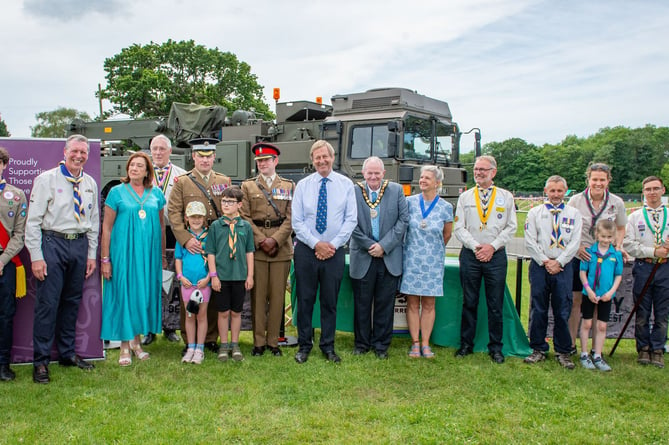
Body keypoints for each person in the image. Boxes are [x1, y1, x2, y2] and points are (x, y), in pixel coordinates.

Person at [25, 134, 99, 383]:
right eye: (75, 151)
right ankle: (41, 361)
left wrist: (91, 254)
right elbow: (32, 222)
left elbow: (94, 223)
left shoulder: (89, 182)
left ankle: (67, 354)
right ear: (65, 152)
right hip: (52, 243)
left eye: (83, 152)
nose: (79, 156)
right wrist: (37, 256)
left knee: (71, 302)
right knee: (47, 304)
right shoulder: (46, 179)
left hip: (78, 244)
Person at [291, 140, 357, 364]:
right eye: (317, 158)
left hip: (334, 251)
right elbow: (297, 222)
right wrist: (316, 244)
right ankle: (304, 345)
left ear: (332, 157)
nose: (321, 161)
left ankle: (328, 346)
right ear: (312, 160)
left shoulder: (346, 185)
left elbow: (351, 220)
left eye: (325, 157)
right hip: (307, 251)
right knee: (305, 300)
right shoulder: (303, 186)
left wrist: (332, 245)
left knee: (329, 302)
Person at [100, 152, 165, 366]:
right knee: (124, 294)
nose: (134, 169)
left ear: (147, 171)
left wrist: (162, 255)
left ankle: (137, 343)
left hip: (148, 254)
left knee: (141, 295)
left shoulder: (156, 193)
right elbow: (107, 228)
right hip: (123, 253)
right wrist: (105, 259)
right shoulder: (116, 192)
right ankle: (125, 346)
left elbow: (162, 226)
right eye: (132, 165)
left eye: (139, 166)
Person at [168, 137, 231, 353]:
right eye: (200, 156)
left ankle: (210, 338)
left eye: (209, 156)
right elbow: (174, 212)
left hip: (215, 242)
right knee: (191, 290)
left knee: (213, 288)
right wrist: (185, 239)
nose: (205, 160)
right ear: (193, 156)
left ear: (214, 157)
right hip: (192, 244)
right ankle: (190, 341)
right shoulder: (182, 182)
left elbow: (228, 210)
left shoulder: (224, 180)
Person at [454, 155, 517, 364]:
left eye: (483, 169)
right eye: (476, 169)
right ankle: (466, 344)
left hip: (496, 255)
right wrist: (476, 247)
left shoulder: (506, 197)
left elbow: (511, 227)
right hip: (471, 254)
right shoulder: (465, 197)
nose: (478, 172)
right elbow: (459, 227)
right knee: (469, 301)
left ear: (493, 172)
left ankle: (496, 347)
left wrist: (492, 247)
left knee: (495, 304)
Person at [350, 157, 408, 359]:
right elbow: (349, 222)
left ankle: (381, 345)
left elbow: (403, 221)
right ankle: (361, 344)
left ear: (384, 173)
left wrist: (384, 246)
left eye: (377, 173)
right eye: (369, 173)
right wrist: (369, 245)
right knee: (362, 304)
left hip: (388, 257)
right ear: (363, 173)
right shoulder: (354, 191)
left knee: (385, 304)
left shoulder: (396, 190)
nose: (373, 177)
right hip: (363, 256)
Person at [566, 163, 627, 355]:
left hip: (604, 258)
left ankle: (594, 349)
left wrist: (617, 246)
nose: (598, 183)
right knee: (577, 301)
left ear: (608, 180)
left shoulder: (616, 202)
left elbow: (621, 227)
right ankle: (571, 345)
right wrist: (577, 247)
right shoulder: (576, 200)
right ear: (588, 180)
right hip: (582, 255)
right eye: (594, 179)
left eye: (602, 179)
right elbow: (566, 227)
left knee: (598, 300)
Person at [241, 142, 294, 357]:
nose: (262, 164)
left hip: (280, 249)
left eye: (266, 160)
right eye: (259, 161)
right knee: (258, 296)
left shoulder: (289, 185)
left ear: (276, 161)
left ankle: (274, 341)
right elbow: (244, 216)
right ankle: (258, 342)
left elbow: (292, 217)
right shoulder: (248, 186)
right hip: (258, 248)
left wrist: (276, 240)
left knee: (278, 296)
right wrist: (262, 240)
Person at [523, 176, 582, 369]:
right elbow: (530, 240)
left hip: (563, 267)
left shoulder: (574, 214)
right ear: (545, 191)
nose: (555, 194)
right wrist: (545, 261)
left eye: (559, 191)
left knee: (562, 309)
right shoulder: (534, 213)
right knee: (538, 308)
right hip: (541, 265)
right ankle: (538, 348)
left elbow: (574, 243)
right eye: (552, 191)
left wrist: (560, 262)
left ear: (565, 192)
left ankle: (563, 350)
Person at [399, 166, 452, 359]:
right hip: (411, 259)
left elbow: (447, 234)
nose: (422, 181)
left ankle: (426, 343)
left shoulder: (446, 207)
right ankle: (414, 343)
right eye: (421, 177)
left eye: (427, 178)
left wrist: (432, 250)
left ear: (437, 183)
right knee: (412, 303)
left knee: (429, 304)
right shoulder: (409, 202)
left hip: (433, 262)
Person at [143, 134, 188, 345]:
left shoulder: (181, 175)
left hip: (172, 232)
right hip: (148, 232)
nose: (158, 152)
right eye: (155, 148)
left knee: (170, 280)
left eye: (162, 148)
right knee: (150, 279)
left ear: (170, 151)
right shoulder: (143, 174)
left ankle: (170, 326)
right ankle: (149, 329)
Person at [623, 176, 669, 368]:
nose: (652, 193)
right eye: (648, 189)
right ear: (643, 192)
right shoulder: (635, 217)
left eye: (655, 189)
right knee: (642, 310)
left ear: (663, 190)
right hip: (643, 266)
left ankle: (658, 348)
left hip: (665, 267)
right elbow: (628, 244)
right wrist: (652, 251)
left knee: (662, 311)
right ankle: (643, 347)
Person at [205, 186, 254, 362]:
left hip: (239, 276)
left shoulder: (245, 226)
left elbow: (250, 252)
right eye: (224, 201)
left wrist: (250, 276)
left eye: (230, 202)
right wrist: (214, 275)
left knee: (236, 312)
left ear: (239, 205)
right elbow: (210, 252)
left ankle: (235, 344)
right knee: (223, 312)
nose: (225, 204)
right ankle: (223, 345)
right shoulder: (216, 227)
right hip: (222, 277)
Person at [578, 219, 623, 371]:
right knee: (587, 323)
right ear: (597, 235)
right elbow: (583, 272)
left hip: (606, 295)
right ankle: (584, 353)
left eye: (609, 237)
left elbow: (618, 276)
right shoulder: (589, 252)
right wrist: (588, 290)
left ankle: (597, 355)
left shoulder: (615, 255)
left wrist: (611, 293)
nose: (606, 240)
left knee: (602, 325)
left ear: (614, 237)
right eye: (603, 236)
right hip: (589, 294)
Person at [0, 147, 28, 381]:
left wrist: (2, 260)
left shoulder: (16, 195)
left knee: (5, 315)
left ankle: (2, 365)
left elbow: (19, 234)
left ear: (4, 165)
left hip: (5, 262)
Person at [175, 201, 210, 364]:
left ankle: (200, 348)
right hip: (187, 284)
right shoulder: (184, 238)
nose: (196, 220)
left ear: (204, 218)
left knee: (201, 316)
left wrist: (209, 278)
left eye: (199, 217)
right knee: (190, 315)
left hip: (203, 284)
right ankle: (190, 347)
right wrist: (180, 277)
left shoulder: (209, 237)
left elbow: (212, 258)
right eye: (193, 217)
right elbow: (178, 259)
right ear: (187, 219)